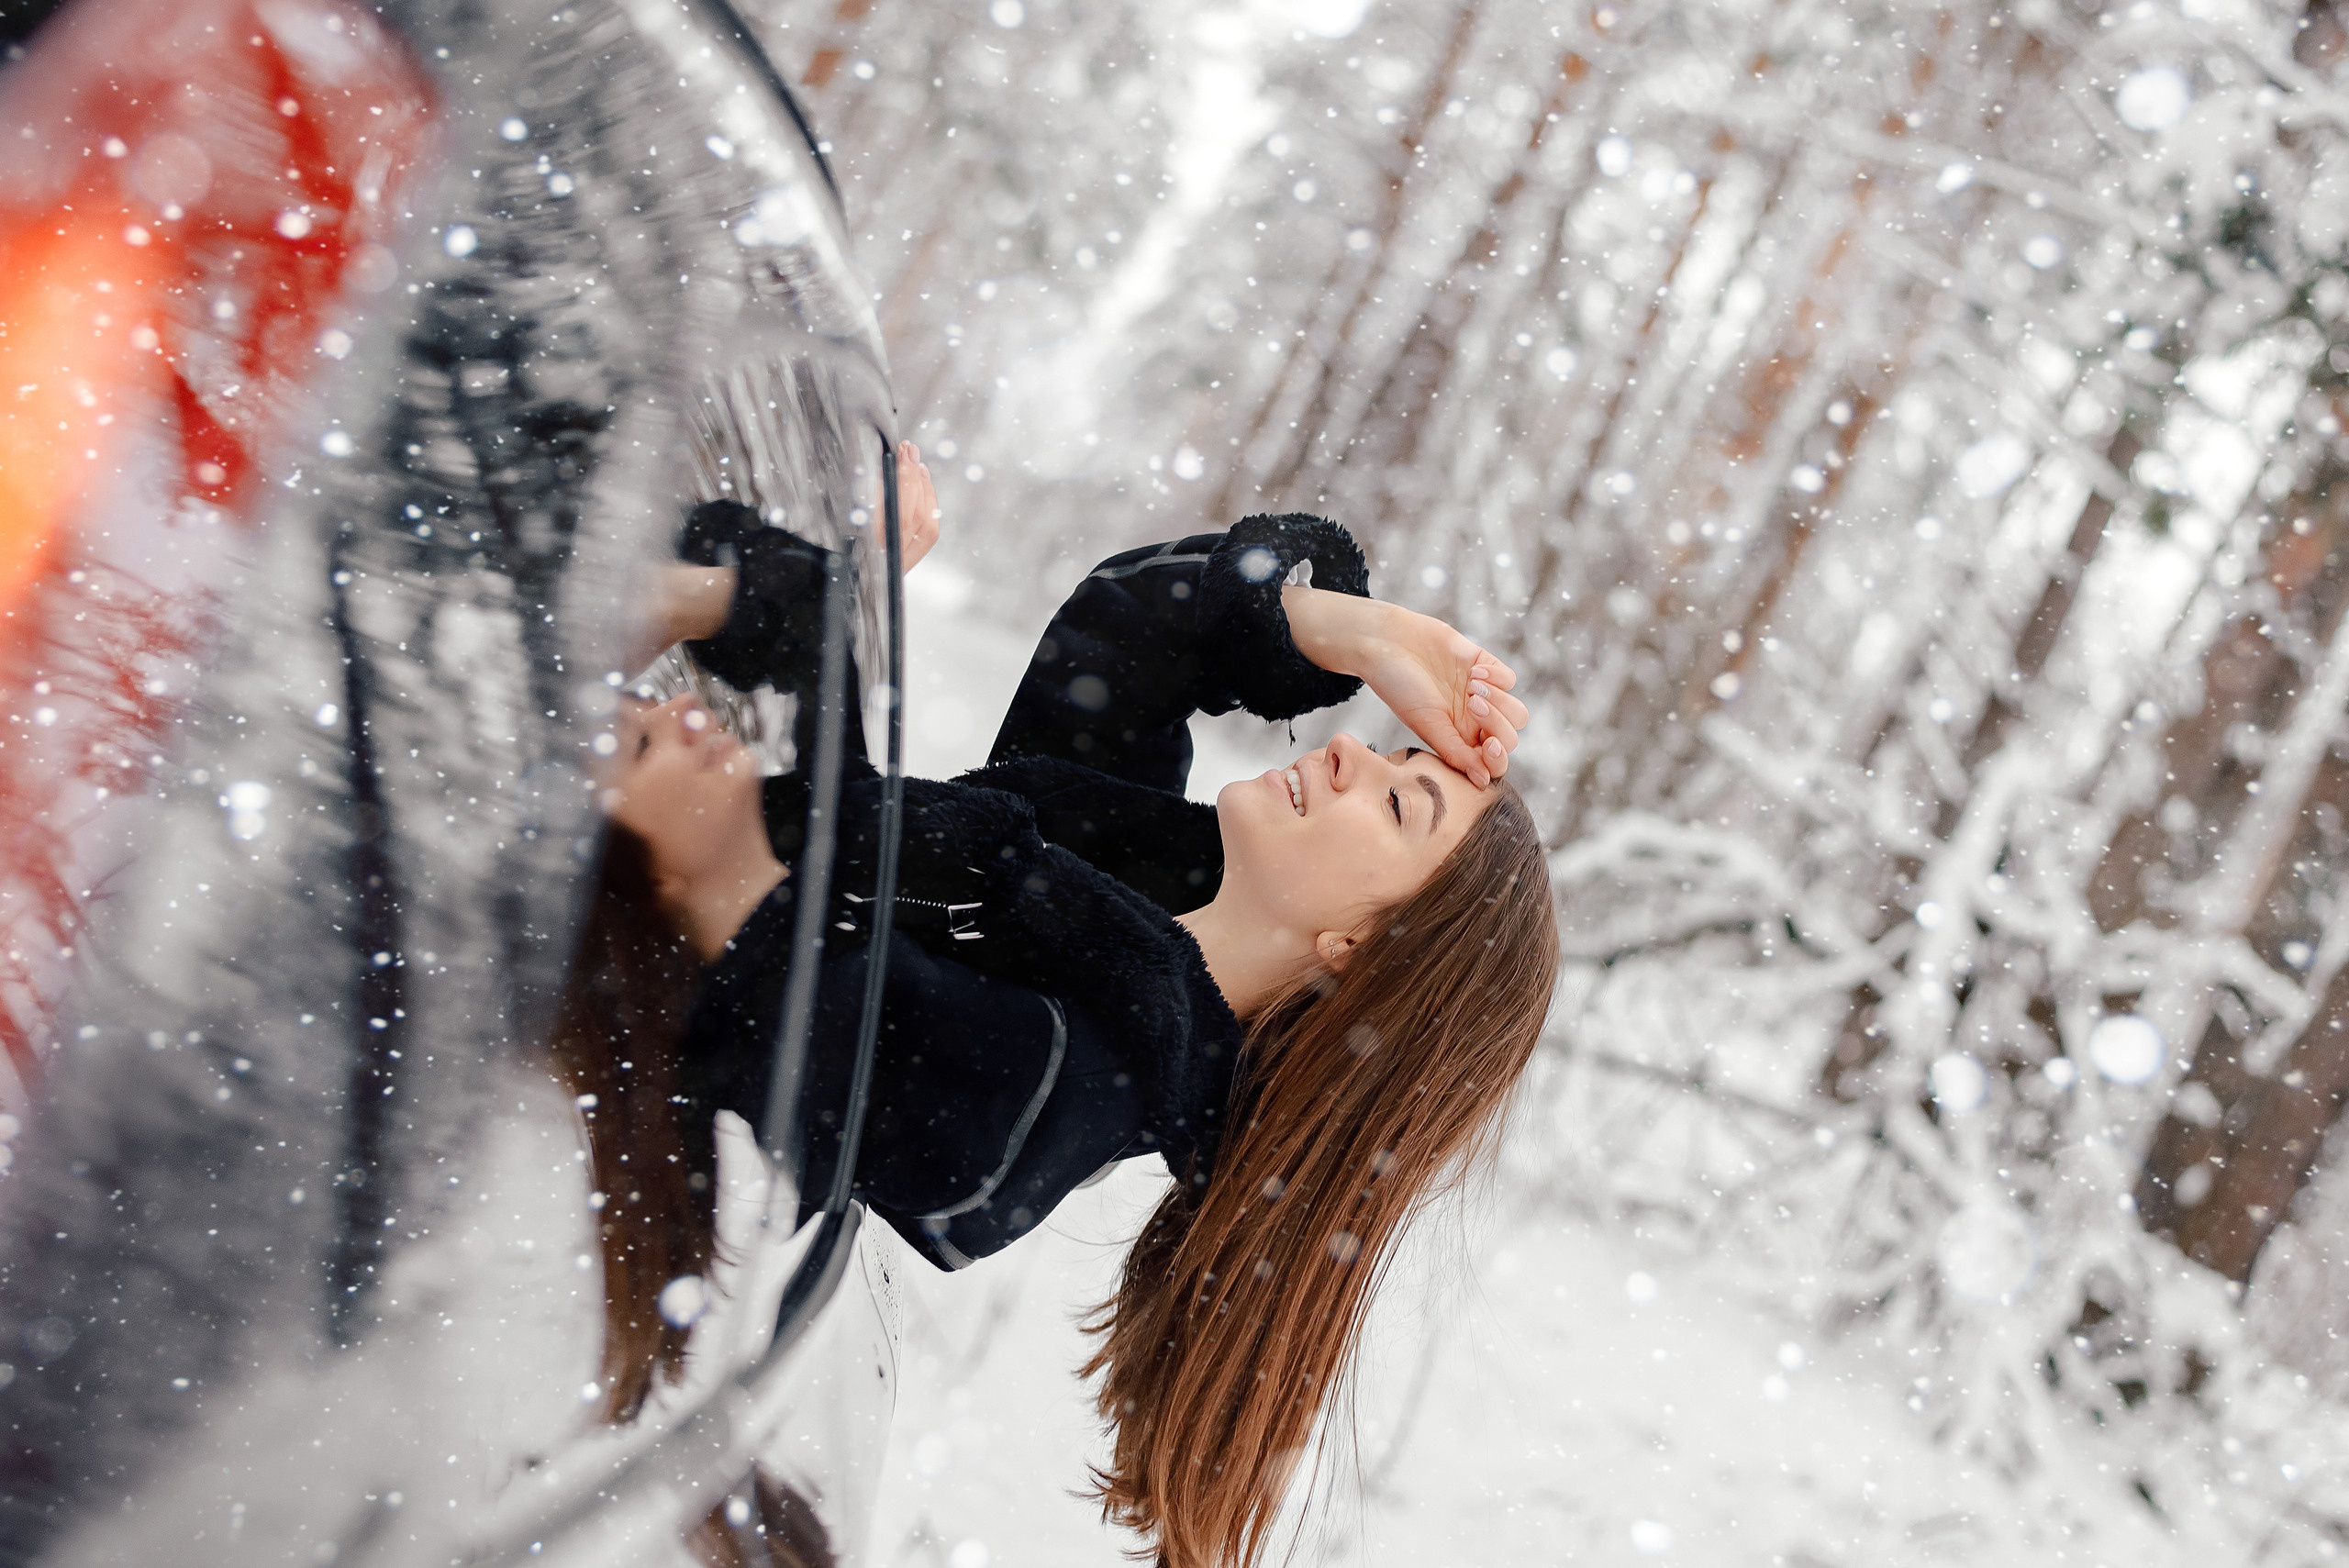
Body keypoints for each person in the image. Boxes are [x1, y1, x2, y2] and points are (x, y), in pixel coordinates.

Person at [550, 443, 1558, 1568]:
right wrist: (1352, 631)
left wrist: (711, 843)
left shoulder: (1076, 1083)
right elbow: (1121, 633)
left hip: (544, 1079)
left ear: (1355, 951)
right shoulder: (1114, 868)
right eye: (1387, 750)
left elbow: (816, 1038)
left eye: (1399, 805)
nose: (1346, 758)